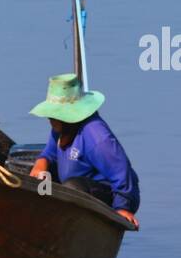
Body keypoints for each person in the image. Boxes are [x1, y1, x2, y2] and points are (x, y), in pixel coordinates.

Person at [28, 74, 140, 228]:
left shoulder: (97, 137)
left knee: (72, 188)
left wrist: (122, 207)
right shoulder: (61, 127)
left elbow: (122, 173)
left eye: (53, 115)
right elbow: (50, 153)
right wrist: (41, 164)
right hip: (71, 188)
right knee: (34, 175)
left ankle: (62, 226)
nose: (49, 119)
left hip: (106, 193)